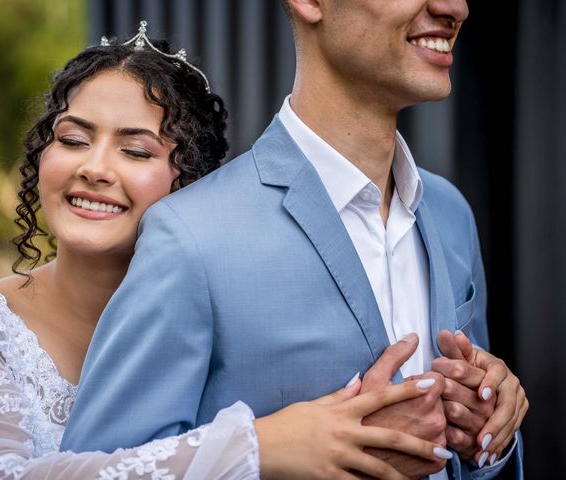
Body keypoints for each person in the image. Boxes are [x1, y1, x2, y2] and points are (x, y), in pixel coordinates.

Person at [0, 25, 458, 480]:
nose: (94, 167)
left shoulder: (242, 311)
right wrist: (256, 449)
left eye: (136, 150)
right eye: (72, 139)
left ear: (194, 184)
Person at [63, 1, 528, 479]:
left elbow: (469, 455)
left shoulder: (450, 213)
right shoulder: (190, 235)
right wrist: (270, 457)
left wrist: (488, 436)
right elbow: (97, 469)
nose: (455, 7)